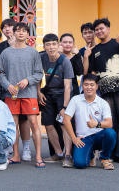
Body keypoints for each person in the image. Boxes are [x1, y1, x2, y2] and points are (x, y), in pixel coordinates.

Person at [85, 17, 119, 164]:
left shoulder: (118, 43)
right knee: (111, 121)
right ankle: (113, 153)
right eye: (97, 30)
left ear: (108, 29)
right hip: (105, 91)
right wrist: (86, 57)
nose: (99, 31)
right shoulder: (95, 50)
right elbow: (91, 72)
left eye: (102, 28)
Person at [0, 22, 44, 168]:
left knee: (34, 123)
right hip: (12, 94)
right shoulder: (6, 53)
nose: (21, 33)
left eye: (24, 31)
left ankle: (38, 156)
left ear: (28, 34)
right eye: (18, 31)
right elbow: (1, 74)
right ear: (14, 33)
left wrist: (27, 80)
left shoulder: (33, 52)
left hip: (29, 93)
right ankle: (16, 154)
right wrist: (8, 86)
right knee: (13, 125)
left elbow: (39, 73)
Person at [62, 74, 117, 170]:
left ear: (96, 86)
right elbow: (66, 120)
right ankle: (91, 155)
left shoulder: (103, 103)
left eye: (92, 85)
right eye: (86, 84)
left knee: (110, 133)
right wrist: (74, 138)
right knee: (80, 164)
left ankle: (105, 158)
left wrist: (97, 124)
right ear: (82, 86)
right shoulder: (76, 99)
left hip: (98, 135)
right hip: (83, 138)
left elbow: (109, 123)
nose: (89, 87)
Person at [38, 33, 74, 167]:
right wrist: (38, 93)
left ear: (58, 45)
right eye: (48, 44)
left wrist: (64, 107)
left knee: (64, 123)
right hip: (47, 94)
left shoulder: (65, 61)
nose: (51, 47)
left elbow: (67, 86)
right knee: (48, 124)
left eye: (54, 44)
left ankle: (68, 155)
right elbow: (37, 75)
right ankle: (58, 153)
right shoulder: (41, 57)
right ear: (44, 47)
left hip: (61, 94)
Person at [60, 32, 82, 97]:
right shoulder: (56, 56)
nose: (68, 44)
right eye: (65, 42)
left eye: (70, 42)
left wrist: (78, 55)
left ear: (73, 44)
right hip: (59, 90)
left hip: (73, 89)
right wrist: (59, 53)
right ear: (60, 43)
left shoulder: (76, 57)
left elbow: (79, 72)